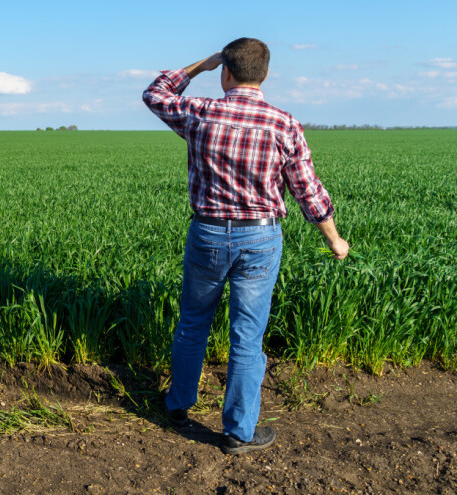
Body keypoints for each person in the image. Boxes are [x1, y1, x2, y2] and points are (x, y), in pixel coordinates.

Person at [142, 38, 349, 454]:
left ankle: (178, 405)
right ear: (266, 75)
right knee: (247, 336)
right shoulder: (283, 123)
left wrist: (200, 66)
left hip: (208, 233)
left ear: (226, 72)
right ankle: (238, 432)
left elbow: (154, 93)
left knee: (193, 324)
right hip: (260, 237)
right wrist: (334, 240)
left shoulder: (200, 112)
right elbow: (308, 191)